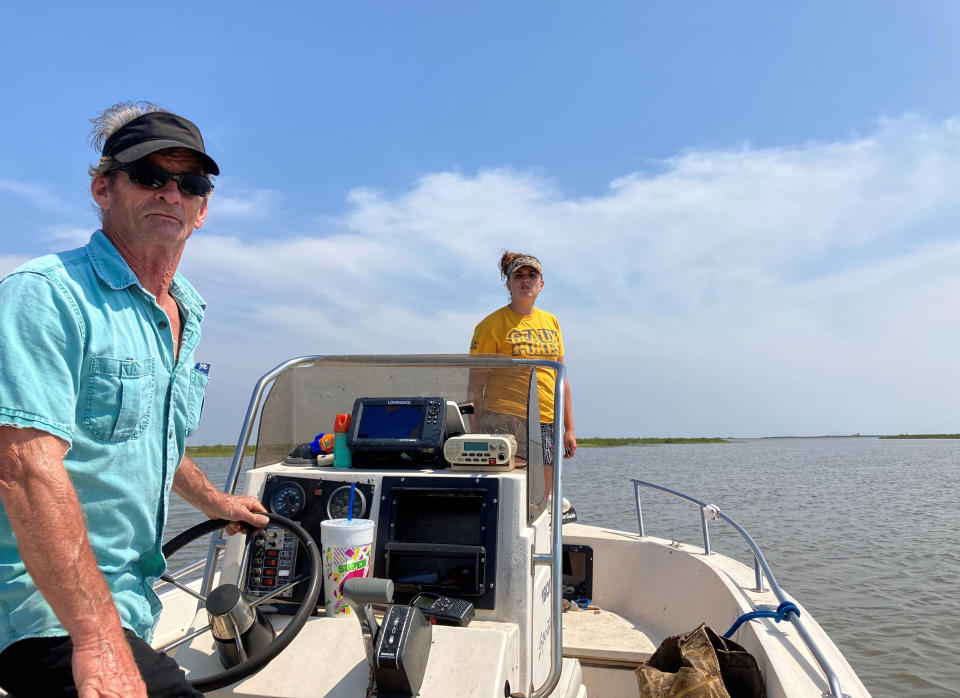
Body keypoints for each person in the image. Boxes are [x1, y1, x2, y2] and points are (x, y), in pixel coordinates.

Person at [0, 102, 269, 698]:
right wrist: (98, 644)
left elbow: (152, 440)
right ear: (103, 187)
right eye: (150, 176)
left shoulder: (183, 311)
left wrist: (216, 500)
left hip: (129, 600)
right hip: (41, 612)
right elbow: (22, 467)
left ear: (203, 209)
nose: (171, 194)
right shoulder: (46, 296)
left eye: (191, 182)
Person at [468, 251, 576, 472]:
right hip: (504, 419)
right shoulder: (490, 325)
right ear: (508, 285)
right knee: (511, 488)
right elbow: (475, 385)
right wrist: (477, 433)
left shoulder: (551, 321)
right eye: (518, 276)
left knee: (542, 495)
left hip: (547, 420)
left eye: (531, 275)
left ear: (541, 284)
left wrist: (569, 429)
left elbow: (561, 379)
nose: (525, 280)